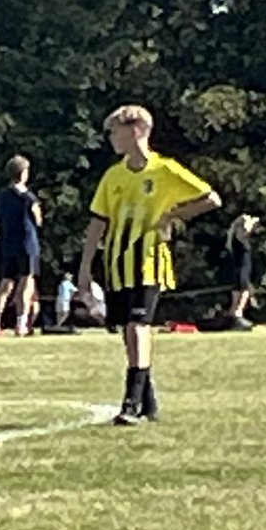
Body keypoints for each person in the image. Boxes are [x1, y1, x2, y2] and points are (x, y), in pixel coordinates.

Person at [78, 103, 221, 426]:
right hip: (117, 264)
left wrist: (173, 214)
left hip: (150, 262)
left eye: (115, 131)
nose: (111, 138)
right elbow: (98, 224)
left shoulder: (165, 170)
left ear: (136, 131)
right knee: (128, 332)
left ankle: (131, 402)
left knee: (138, 325)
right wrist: (86, 269)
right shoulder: (113, 176)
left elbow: (211, 198)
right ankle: (149, 401)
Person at [0, 155, 42, 336]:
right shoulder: (28, 197)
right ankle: (21, 323)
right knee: (26, 283)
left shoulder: (3, 196)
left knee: (5, 284)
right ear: (23, 173)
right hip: (27, 244)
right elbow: (38, 220)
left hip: (8, 244)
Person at [227, 214, 259, 329]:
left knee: (238, 289)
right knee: (244, 289)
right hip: (242, 267)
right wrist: (253, 221)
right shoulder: (239, 238)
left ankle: (233, 312)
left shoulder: (235, 239)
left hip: (241, 267)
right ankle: (238, 312)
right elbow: (247, 229)